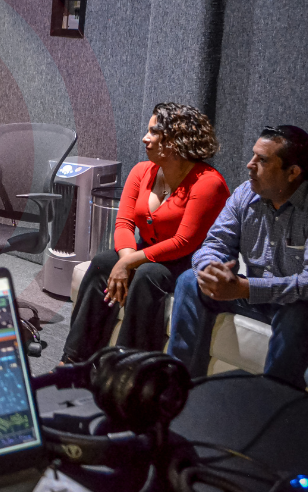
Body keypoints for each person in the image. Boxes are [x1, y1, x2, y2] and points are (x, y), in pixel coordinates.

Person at [60, 103, 230, 363]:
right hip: (145, 251)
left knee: (148, 275)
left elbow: (184, 242)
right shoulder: (142, 171)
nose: (145, 138)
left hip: (187, 261)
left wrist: (129, 263)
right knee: (103, 262)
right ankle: (73, 361)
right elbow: (124, 223)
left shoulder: (208, 182)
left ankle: (127, 370)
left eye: (153, 132)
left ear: (176, 139)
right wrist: (125, 261)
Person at [168, 125, 308, 387]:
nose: (249, 164)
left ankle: (276, 401)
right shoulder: (246, 193)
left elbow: (306, 284)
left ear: (293, 172)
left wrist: (245, 288)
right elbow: (215, 242)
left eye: (262, 160)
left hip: (293, 302)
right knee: (190, 280)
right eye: (253, 155)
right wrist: (211, 269)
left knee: (298, 314)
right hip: (253, 298)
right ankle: (180, 386)